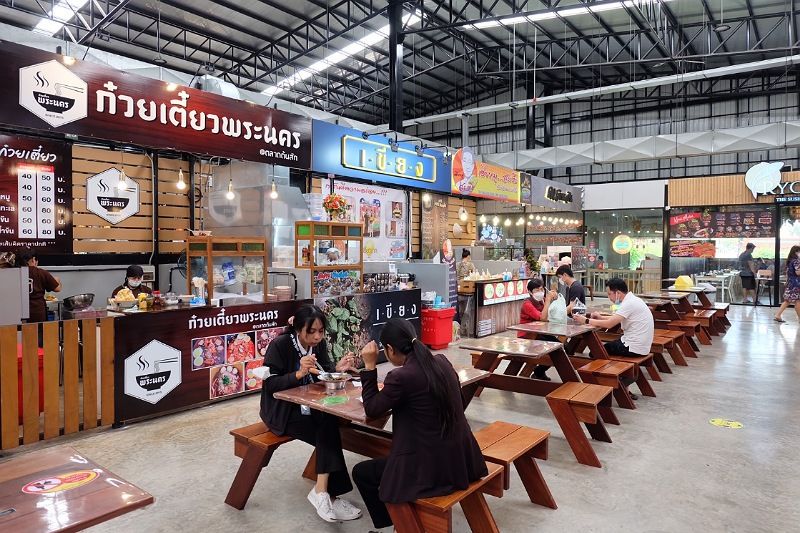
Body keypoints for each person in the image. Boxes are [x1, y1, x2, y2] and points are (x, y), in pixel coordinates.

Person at [352, 318, 487, 530]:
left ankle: (395, 524)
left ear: (390, 349)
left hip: (431, 469)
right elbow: (459, 403)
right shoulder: (441, 362)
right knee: (385, 459)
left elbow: (372, 409)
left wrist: (369, 366)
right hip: (462, 460)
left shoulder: (401, 376)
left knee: (362, 473)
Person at [260, 304, 362, 523]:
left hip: (310, 405)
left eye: (321, 331)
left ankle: (324, 493)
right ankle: (327, 495)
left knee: (329, 423)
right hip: (281, 412)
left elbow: (323, 372)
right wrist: (298, 373)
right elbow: (270, 385)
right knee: (328, 429)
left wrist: (337, 368)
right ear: (299, 329)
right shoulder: (280, 345)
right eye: (311, 331)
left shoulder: (318, 345)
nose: (317, 337)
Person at [573, 278, 654, 398]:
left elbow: (609, 324)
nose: (609, 297)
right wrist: (600, 318)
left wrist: (586, 320)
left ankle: (612, 383)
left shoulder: (628, 303)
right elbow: (615, 319)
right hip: (641, 346)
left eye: (609, 294)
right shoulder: (633, 300)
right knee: (604, 349)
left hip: (632, 347)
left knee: (596, 352)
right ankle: (622, 384)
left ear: (618, 293)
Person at [518, 278, 558, 381]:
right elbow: (542, 318)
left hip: (540, 333)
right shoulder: (527, 304)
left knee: (561, 348)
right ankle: (538, 372)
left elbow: (552, 314)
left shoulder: (542, 301)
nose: (540, 292)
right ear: (530, 292)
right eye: (536, 290)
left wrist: (554, 299)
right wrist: (548, 301)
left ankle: (538, 372)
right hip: (528, 336)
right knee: (556, 351)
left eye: (541, 289)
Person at [17, 251, 61, 323]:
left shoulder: (14, 272)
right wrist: (57, 280)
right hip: (37, 312)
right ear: (33, 259)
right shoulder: (41, 273)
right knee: (38, 330)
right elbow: (57, 288)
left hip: (18, 312)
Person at [774, 245, 800, 323]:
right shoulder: (796, 261)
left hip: (791, 283)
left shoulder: (790, 261)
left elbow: (788, 273)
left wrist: (787, 281)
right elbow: (798, 272)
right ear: (796, 252)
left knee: (788, 301)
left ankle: (778, 315)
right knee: (797, 301)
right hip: (796, 284)